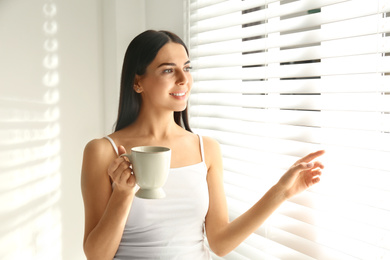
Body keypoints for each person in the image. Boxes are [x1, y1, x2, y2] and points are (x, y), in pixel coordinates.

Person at [81, 30, 325, 260]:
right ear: (138, 82)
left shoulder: (206, 149)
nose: (183, 79)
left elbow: (220, 243)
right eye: (168, 70)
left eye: (187, 68)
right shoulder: (103, 152)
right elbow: (96, 255)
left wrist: (281, 192)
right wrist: (122, 194)